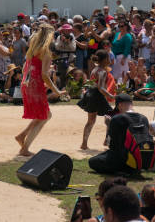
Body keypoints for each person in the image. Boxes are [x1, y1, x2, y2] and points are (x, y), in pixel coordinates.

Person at [15, 24, 68, 157]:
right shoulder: (46, 51)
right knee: (44, 116)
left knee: (43, 115)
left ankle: (22, 136)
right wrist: (56, 91)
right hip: (35, 85)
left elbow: (25, 69)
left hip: (27, 84)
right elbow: (44, 74)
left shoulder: (32, 48)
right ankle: (25, 147)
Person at [89, 94, 152, 175]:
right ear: (131, 104)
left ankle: (121, 171)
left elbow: (109, 144)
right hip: (141, 160)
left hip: (122, 160)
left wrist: (109, 125)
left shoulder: (117, 119)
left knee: (92, 161)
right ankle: (131, 169)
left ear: (120, 105)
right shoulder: (144, 118)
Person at [79, 49, 116, 150]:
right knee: (111, 117)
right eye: (108, 58)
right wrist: (111, 96)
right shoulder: (103, 72)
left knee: (90, 121)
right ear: (104, 60)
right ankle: (107, 141)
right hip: (97, 95)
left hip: (90, 94)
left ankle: (84, 143)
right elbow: (101, 88)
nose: (109, 60)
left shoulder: (95, 69)